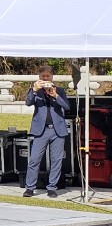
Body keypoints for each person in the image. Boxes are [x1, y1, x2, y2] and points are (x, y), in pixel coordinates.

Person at [23, 63, 69, 199]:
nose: (45, 78)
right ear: (39, 76)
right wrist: (34, 90)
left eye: (47, 76)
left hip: (57, 130)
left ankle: (52, 188)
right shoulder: (35, 90)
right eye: (43, 76)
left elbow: (67, 106)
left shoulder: (60, 90)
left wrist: (55, 96)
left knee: (56, 161)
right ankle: (30, 188)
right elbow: (28, 102)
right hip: (41, 130)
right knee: (34, 160)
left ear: (52, 77)